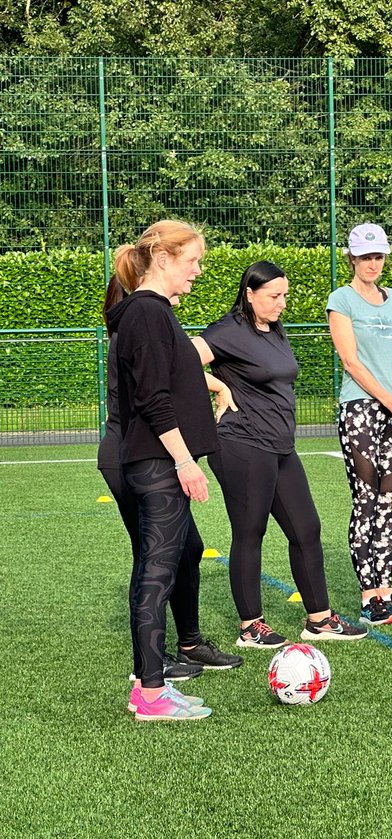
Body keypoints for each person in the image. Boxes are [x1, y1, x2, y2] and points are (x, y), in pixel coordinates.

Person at [108, 219, 243, 722]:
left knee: (165, 566)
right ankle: (149, 693)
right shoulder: (144, 313)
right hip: (157, 463)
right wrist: (185, 461)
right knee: (156, 573)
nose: (198, 272)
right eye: (193, 262)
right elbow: (152, 399)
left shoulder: (155, 313)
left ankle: (155, 685)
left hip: (160, 462)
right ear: (162, 259)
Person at [194, 261, 368, 647]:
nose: (282, 303)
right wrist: (219, 387)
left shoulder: (273, 329)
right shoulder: (227, 331)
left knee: (306, 528)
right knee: (250, 532)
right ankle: (250, 625)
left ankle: (319, 619)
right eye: (274, 296)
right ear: (249, 294)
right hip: (241, 444)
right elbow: (180, 361)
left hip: (279, 446)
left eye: (284, 295)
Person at [326, 224, 392, 625]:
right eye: (365, 256)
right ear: (352, 257)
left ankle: (386, 590)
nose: (372, 263)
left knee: (389, 502)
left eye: (378, 256)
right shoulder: (341, 300)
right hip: (361, 410)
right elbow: (351, 361)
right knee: (366, 500)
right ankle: (369, 597)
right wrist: (390, 402)